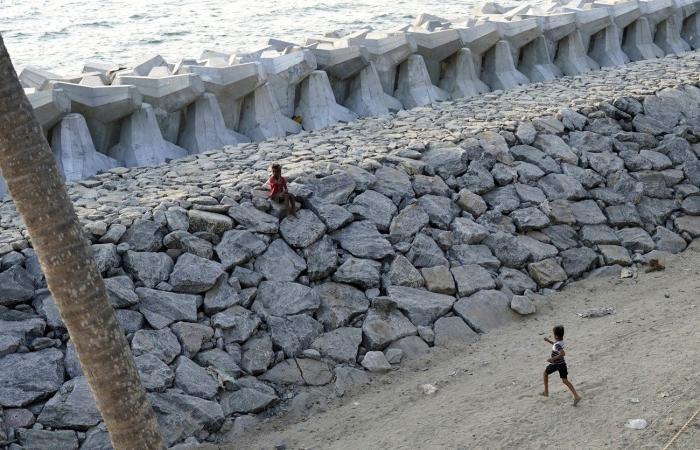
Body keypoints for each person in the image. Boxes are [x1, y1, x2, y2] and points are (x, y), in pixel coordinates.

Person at [541, 325, 582, 406]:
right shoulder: (561, 342)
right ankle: (576, 396)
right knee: (565, 381)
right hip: (562, 364)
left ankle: (546, 392)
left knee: (545, 373)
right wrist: (548, 341)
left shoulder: (557, 345)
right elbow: (556, 346)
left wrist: (552, 359)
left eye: (553, 334)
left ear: (556, 335)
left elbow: (562, 353)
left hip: (556, 364)